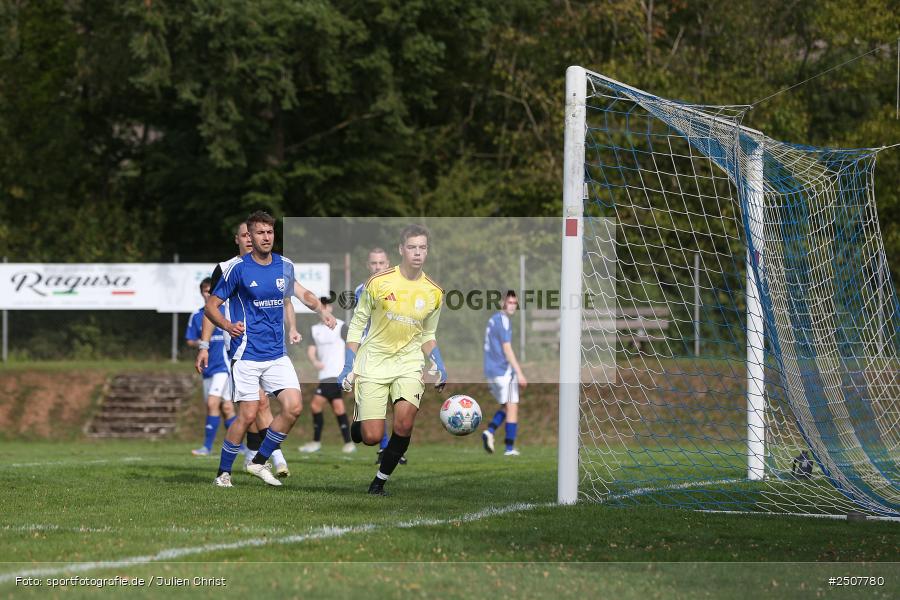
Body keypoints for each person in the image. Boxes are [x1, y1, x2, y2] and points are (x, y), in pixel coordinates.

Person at [206, 210, 335, 487]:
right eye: (260, 232)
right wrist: (228, 326)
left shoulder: (284, 265)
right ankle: (223, 473)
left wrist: (322, 310)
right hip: (246, 354)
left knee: (293, 408)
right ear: (250, 236)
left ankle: (258, 461)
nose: (266, 237)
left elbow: (301, 293)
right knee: (248, 415)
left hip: (277, 355)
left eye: (270, 232)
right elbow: (211, 306)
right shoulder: (236, 269)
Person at [339, 225, 446, 496]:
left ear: (428, 251)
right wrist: (348, 364)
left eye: (422, 247)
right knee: (372, 436)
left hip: (409, 364)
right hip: (373, 361)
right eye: (412, 247)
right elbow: (357, 324)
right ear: (401, 250)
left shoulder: (434, 292)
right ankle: (359, 425)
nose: (418, 253)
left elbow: (428, 334)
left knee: (404, 424)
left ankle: (379, 482)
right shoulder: (379, 282)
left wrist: (439, 362)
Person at [195, 222, 298, 477]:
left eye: (261, 234)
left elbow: (286, 302)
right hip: (239, 347)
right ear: (239, 239)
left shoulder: (275, 266)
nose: (252, 240)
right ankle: (270, 458)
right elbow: (212, 309)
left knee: (268, 406)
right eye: (246, 236)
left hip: (271, 349)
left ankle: (259, 456)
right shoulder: (227, 269)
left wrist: (292, 328)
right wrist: (205, 345)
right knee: (257, 404)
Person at [353, 248, 405, 465]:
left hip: (396, 352)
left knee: (398, 400)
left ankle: (390, 448)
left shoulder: (401, 288)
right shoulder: (361, 290)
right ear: (368, 265)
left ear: (388, 265)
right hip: (371, 353)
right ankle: (383, 447)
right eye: (373, 263)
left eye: (381, 263)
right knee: (379, 402)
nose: (377, 267)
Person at [185, 277, 236, 456]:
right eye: (205, 291)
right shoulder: (197, 315)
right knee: (227, 408)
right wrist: (201, 343)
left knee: (213, 403)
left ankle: (206, 447)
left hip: (224, 367)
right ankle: (240, 446)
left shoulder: (226, 312)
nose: (208, 294)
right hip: (208, 368)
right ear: (201, 293)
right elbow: (190, 339)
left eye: (210, 291)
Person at [298, 296, 355, 454]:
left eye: (326, 305)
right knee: (338, 407)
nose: (323, 308)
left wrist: (351, 367)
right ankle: (348, 443)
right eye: (321, 305)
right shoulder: (314, 330)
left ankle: (316, 442)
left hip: (337, 374)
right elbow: (311, 350)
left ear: (331, 308)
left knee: (316, 404)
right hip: (324, 374)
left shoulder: (341, 326)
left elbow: (353, 345)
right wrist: (315, 361)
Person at [482, 290, 527, 456]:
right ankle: (509, 448)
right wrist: (520, 373)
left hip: (490, 371)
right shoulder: (504, 321)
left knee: (506, 406)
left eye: (515, 303)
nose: (512, 306)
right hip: (502, 371)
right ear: (502, 303)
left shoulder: (493, 320)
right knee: (513, 407)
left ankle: (490, 431)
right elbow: (507, 348)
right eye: (509, 302)